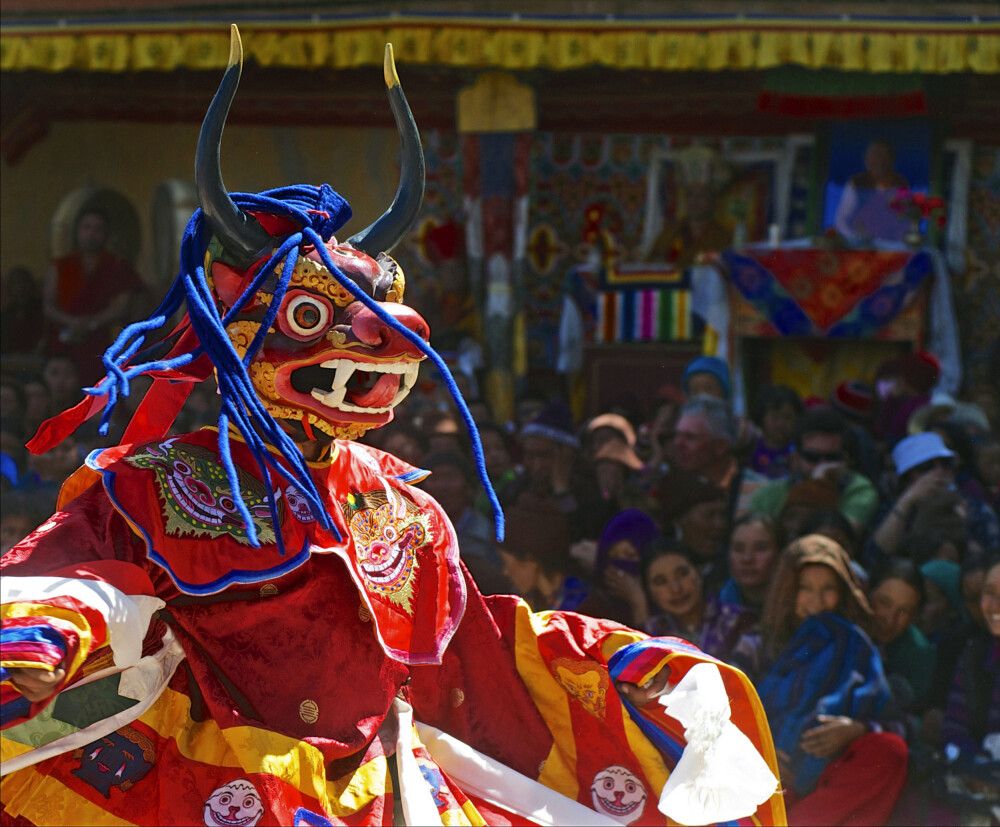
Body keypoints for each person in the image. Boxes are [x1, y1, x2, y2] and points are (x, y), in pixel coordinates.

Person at [0, 33, 783, 827]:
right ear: (241, 339)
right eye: (314, 319)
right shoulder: (151, 486)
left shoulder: (404, 512)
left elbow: (482, 663)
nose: (375, 345)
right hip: (219, 785)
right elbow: (59, 572)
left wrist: (616, 664)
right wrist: (44, 638)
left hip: (384, 797)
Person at [731, 535, 909, 825]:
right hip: (768, 770)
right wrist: (760, 748)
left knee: (890, 750)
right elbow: (724, 711)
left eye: (828, 589)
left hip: (831, 773)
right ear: (786, 591)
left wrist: (855, 729)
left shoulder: (856, 644)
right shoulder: (758, 645)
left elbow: (897, 723)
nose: (817, 601)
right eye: (804, 589)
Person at [43, 206, 141, 381]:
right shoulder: (60, 266)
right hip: (65, 341)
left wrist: (91, 324)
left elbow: (122, 306)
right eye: (86, 227)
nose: (91, 234)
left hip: (100, 342)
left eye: (97, 229)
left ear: (106, 234)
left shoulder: (116, 266)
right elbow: (49, 306)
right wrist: (72, 322)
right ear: (77, 231)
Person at [749, 406, 879, 532]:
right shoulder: (768, 496)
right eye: (812, 457)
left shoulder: (861, 491)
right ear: (796, 458)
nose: (822, 465)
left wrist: (820, 485)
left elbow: (834, 537)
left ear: (847, 460)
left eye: (832, 457)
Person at [642, 540, 756, 662]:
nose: (675, 589)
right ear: (649, 592)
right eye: (661, 582)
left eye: (682, 574)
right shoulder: (650, 634)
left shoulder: (739, 621)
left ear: (699, 573)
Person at [869, 560, 937, 709]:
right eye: (884, 603)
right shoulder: (843, 632)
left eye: (903, 611)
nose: (890, 618)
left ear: (914, 617)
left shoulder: (919, 654)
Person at [834, 139, 910, 245]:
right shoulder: (857, 182)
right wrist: (854, 237)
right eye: (874, 157)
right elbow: (841, 220)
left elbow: (905, 219)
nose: (879, 161)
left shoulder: (900, 184)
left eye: (883, 157)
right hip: (859, 245)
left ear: (891, 160)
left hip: (891, 245)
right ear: (867, 161)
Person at [718, 514, 783, 612]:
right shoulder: (714, 604)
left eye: (760, 548)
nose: (747, 558)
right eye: (738, 549)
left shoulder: (799, 605)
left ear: (780, 554)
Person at [749, 385, 802, 480]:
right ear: (762, 417)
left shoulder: (799, 452)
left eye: (787, 417)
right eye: (775, 417)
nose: (781, 424)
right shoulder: (751, 448)